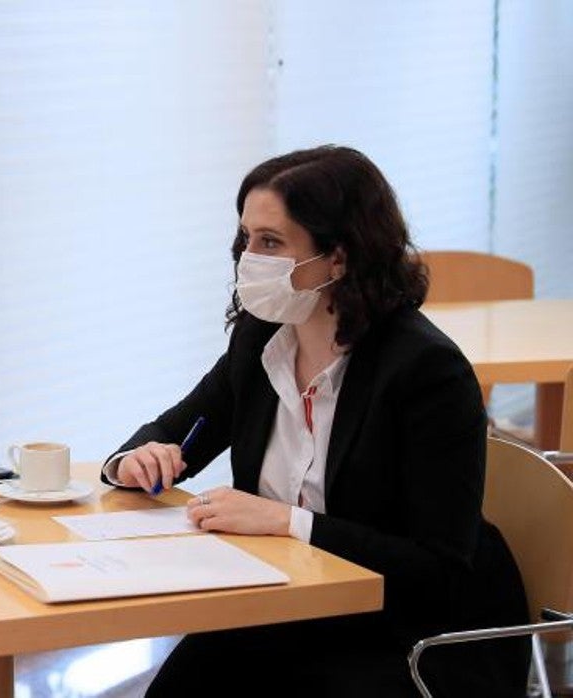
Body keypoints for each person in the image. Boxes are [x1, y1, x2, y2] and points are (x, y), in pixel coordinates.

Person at [101, 146, 529, 697]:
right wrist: (134, 461)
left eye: (271, 242)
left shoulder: (426, 371)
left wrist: (286, 522)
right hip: (290, 610)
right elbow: (179, 429)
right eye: (246, 239)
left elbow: (436, 568)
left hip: (413, 634)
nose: (248, 259)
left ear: (340, 259)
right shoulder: (261, 339)